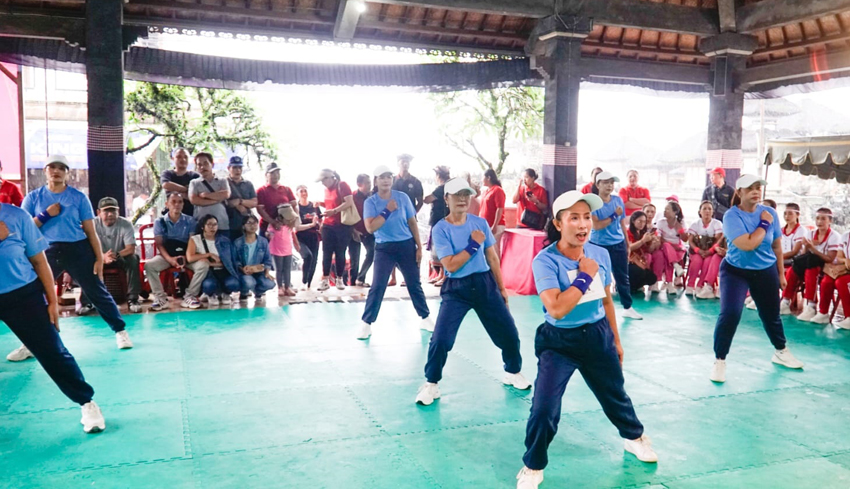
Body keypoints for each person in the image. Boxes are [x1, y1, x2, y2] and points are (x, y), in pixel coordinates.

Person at [516, 190, 657, 489]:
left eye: (587, 218)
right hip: (559, 341)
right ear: (558, 223)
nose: (583, 225)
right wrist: (584, 276)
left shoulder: (600, 253)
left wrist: (616, 341)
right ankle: (533, 464)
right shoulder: (545, 261)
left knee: (615, 394)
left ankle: (634, 437)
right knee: (544, 407)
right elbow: (556, 306)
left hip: (597, 335)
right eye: (574, 218)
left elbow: (606, 301)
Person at [415, 177, 531, 406]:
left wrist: (501, 288)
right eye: (457, 195)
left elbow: (492, 257)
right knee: (441, 339)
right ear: (446, 199)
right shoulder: (440, 228)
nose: (462, 199)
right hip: (456, 289)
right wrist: (473, 245)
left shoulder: (479, 223)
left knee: (509, 332)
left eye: (466, 195)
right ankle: (431, 383)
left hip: (485, 283)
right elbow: (450, 265)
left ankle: (513, 371)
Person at [10, 155, 132, 361]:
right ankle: (31, 343)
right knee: (35, 295)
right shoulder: (33, 198)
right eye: (52, 167)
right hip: (45, 251)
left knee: (96, 291)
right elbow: (24, 229)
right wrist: (46, 215)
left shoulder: (78, 197)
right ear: (45, 171)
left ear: (67, 173)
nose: (56, 171)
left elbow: (91, 231)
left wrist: (99, 258)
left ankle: (120, 331)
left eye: (61, 168)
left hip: (78, 249)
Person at [0, 203, 106, 433]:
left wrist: (52, 302)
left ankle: (86, 402)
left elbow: (39, 261)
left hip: (22, 294)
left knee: (53, 352)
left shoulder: (17, 216)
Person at [709, 174, 804, 384]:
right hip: (735, 271)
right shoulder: (731, 216)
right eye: (750, 188)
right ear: (740, 192)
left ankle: (781, 351)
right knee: (730, 313)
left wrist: (780, 273)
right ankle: (719, 360)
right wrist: (763, 224)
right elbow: (748, 244)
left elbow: (777, 245)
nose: (755, 191)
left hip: (765, 270)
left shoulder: (769, 212)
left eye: (758, 187)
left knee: (771, 314)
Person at [357, 165, 432, 340]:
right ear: (376, 180)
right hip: (384, 248)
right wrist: (388, 210)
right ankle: (366, 323)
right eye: (382, 177)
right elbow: (370, 227)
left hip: (406, 245)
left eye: (389, 177)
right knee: (378, 286)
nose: (386, 180)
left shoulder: (403, 197)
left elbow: (412, 222)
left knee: (414, 283)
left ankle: (425, 317)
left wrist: (419, 247)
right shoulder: (371, 202)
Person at [590, 171, 642, 320]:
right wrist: (613, 215)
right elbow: (597, 225)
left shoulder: (618, 200)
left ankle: (628, 307)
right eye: (606, 182)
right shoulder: (593, 203)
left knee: (622, 277)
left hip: (617, 243)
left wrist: (627, 244)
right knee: (598, 277)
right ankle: (597, 308)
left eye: (612, 183)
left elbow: (622, 224)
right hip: (598, 245)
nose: (609, 186)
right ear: (598, 184)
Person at [144, 192, 206, 311]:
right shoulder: (159, 222)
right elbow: (159, 244)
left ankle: (190, 295)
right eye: (173, 202)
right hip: (167, 255)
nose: (177, 204)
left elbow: (191, 241)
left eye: (180, 202)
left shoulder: (190, 221)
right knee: (149, 266)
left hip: (187, 254)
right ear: (167, 204)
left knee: (203, 264)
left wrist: (185, 257)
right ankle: (160, 298)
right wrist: (170, 260)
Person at [79, 197, 143, 314]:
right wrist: (102, 257)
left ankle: (133, 299)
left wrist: (116, 255)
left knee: (133, 259)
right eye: (106, 211)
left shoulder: (125, 224)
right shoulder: (92, 224)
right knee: (85, 262)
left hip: (118, 257)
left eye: (113, 211)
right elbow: (86, 247)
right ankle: (87, 302)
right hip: (98, 257)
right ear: (98, 212)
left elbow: (131, 248)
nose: (110, 214)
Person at [781, 208, 840, 322]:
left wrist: (813, 249)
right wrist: (807, 247)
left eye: (823, 219)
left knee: (811, 269)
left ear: (830, 221)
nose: (819, 222)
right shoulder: (811, 233)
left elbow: (830, 259)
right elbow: (804, 256)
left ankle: (811, 306)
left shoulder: (834, 236)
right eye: (817, 218)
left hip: (827, 267)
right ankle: (786, 301)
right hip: (810, 264)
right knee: (793, 269)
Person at [186, 215, 239, 306]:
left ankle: (225, 293)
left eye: (215, 224)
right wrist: (209, 255)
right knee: (209, 285)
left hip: (223, 272)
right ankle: (210, 294)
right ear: (203, 226)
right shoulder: (195, 239)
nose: (212, 227)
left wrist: (210, 263)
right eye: (209, 224)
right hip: (208, 273)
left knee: (234, 284)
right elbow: (190, 258)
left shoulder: (224, 240)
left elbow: (228, 262)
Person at [316, 169, 355, 291]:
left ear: (330, 178)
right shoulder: (326, 190)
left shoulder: (342, 185)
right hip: (328, 224)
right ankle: (325, 279)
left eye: (324, 180)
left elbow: (349, 202)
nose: (323, 183)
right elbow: (330, 205)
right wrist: (321, 204)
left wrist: (335, 211)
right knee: (326, 253)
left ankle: (339, 279)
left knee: (340, 252)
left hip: (342, 224)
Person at [686, 201, 723, 299]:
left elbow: (719, 240)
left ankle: (700, 285)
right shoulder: (695, 224)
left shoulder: (717, 223)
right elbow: (690, 241)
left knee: (708, 262)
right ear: (700, 212)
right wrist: (698, 250)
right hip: (697, 251)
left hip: (711, 251)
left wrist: (710, 251)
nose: (707, 211)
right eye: (705, 209)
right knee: (697, 260)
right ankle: (690, 285)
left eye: (709, 209)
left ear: (713, 212)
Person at [650, 201, 688, 296]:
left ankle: (669, 282)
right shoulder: (661, 222)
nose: (665, 211)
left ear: (675, 212)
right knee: (665, 251)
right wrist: (669, 244)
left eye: (667, 209)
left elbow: (685, 239)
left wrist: (679, 228)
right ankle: (674, 269)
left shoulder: (681, 223)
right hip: (664, 246)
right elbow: (659, 237)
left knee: (668, 256)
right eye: (664, 209)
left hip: (677, 250)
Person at [233, 214, 275, 301]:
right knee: (249, 282)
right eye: (249, 223)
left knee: (270, 284)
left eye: (255, 223)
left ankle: (258, 292)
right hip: (244, 272)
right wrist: (242, 269)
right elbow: (235, 260)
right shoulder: (238, 242)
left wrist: (266, 272)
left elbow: (267, 259)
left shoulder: (263, 241)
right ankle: (244, 292)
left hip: (258, 271)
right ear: (244, 226)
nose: (252, 225)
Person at [188, 152, 230, 234]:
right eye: (199, 165)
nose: (202, 167)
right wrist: (217, 200)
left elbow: (226, 194)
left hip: (221, 225)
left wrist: (206, 195)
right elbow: (194, 200)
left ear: (212, 164)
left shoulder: (222, 180)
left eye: (205, 163)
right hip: (201, 226)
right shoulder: (194, 183)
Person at [424, 166, 451, 286]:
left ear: (439, 176)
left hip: (441, 222)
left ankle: (445, 275)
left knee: (442, 249)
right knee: (436, 251)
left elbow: (427, 199)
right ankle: (440, 274)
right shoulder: (446, 187)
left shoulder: (442, 188)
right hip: (438, 222)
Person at [256, 162, 296, 235]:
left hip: (285, 229)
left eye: (277, 173)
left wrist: (294, 220)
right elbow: (260, 210)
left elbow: (294, 204)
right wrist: (273, 222)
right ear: (266, 175)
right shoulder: (261, 190)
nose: (276, 175)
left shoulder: (286, 189)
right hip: (267, 229)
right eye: (272, 173)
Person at [822, 230, 850, 329]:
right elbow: (839, 257)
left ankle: (849, 316)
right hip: (846, 270)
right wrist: (845, 260)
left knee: (842, 282)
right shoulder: (846, 236)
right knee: (827, 281)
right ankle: (823, 313)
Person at [349, 174, 373, 287]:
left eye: (370, 182)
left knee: (372, 252)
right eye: (367, 183)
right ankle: (353, 284)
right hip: (354, 231)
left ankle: (361, 278)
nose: (370, 185)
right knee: (354, 260)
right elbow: (346, 215)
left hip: (369, 230)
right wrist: (353, 230)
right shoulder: (352, 197)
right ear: (359, 184)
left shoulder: (372, 196)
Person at [225, 156, 257, 241]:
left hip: (247, 224)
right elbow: (224, 202)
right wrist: (234, 205)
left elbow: (254, 202)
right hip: (229, 225)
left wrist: (240, 201)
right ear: (229, 168)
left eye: (240, 167)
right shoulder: (224, 183)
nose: (238, 170)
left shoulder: (248, 184)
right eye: (235, 167)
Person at [295, 185, 321, 290]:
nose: (304, 193)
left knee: (314, 261)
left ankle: (308, 284)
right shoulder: (296, 208)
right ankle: (304, 282)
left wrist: (319, 224)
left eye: (305, 191)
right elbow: (296, 227)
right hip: (301, 237)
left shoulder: (314, 206)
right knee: (308, 256)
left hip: (314, 237)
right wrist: (311, 224)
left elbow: (320, 218)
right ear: (297, 194)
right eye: (301, 191)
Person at [268, 208, 298, 297]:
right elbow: (269, 233)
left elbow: (293, 233)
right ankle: (280, 287)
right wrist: (268, 235)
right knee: (279, 269)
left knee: (287, 269)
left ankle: (287, 287)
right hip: (277, 251)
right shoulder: (273, 225)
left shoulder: (289, 226)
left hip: (287, 250)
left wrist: (297, 245)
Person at [161, 148, 200, 216]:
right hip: (171, 215)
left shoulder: (195, 176)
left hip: (191, 215)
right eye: (179, 157)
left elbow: (198, 196)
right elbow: (166, 185)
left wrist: (176, 190)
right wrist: (187, 190)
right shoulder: (167, 173)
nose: (183, 159)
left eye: (185, 157)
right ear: (173, 159)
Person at [626, 211, 658, 293]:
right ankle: (627, 286)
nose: (642, 224)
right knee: (637, 271)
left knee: (652, 278)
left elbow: (649, 250)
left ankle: (637, 285)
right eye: (640, 221)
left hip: (640, 261)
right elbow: (628, 248)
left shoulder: (643, 233)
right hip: (629, 261)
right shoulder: (627, 232)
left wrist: (653, 243)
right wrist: (642, 241)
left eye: (644, 221)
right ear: (633, 221)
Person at [479, 168, 506, 258]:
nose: (481, 179)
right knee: (485, 249)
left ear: (488, 178)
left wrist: (495, 225)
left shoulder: (497, 190)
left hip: (495, 225)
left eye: (482, 177)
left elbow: (500, 208)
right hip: (485, 225)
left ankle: (496, 270)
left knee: (493, 249)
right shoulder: (486, 191)